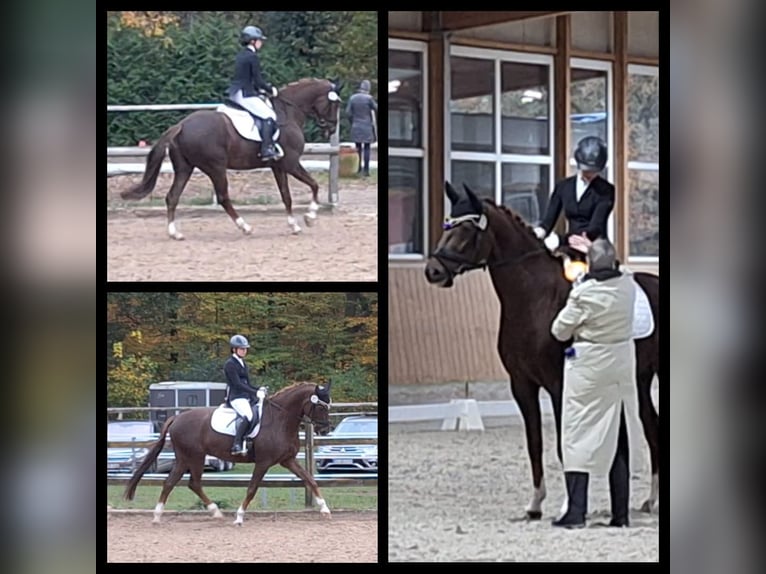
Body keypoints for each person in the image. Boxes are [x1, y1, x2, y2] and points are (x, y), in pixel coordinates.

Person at [549, 238, 643, 529]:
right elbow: (621, 270)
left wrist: (579, 284)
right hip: (621, 365)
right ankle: (621, 514)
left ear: (590, 264)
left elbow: (559, 331)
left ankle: (576, 510)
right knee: (618, 437)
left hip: (588, 368)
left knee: (577, 435)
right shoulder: (627, 286)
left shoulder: (583, 294)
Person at [534, 136, 615, 257]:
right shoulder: (563, 186)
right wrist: (536, 234)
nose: (590, 174)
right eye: (586, 170)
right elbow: (548, 222)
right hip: (570, 243)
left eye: (594, 171)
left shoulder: (606, 190)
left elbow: (595, 226)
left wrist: (561, 240)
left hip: (595, 245)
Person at [226, 25, 280, 161]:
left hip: (237, 92)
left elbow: (246, 78)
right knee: (269, 115)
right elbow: (258, 79)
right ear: (252, 41)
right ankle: (266, 149)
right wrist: (270, 90)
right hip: (245, 94)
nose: (261, 43)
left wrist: (259, 91)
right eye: (259, 40)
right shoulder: (252, 57)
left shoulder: (241, 55)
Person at [223, 334, 261, 455]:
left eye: (245, 349)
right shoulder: (230, 364)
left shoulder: (243, 363)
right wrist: (254, 391)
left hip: (245, 397)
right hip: (236, 397)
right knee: (248, 416)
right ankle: (237, 444)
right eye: (241, 349)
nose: (244, 351)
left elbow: (247, 383)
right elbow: (237, 384)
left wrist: (258, 390)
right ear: (234, 349)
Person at [346, 80, 378, 176]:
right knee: (367, 148)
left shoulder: (353, 98)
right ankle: (366, 170)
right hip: (367, 126)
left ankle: (358, 168)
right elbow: (376, 108)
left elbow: (348, 112)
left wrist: (352, 121)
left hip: (356, 125)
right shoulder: (369, 98)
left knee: (358, 148)